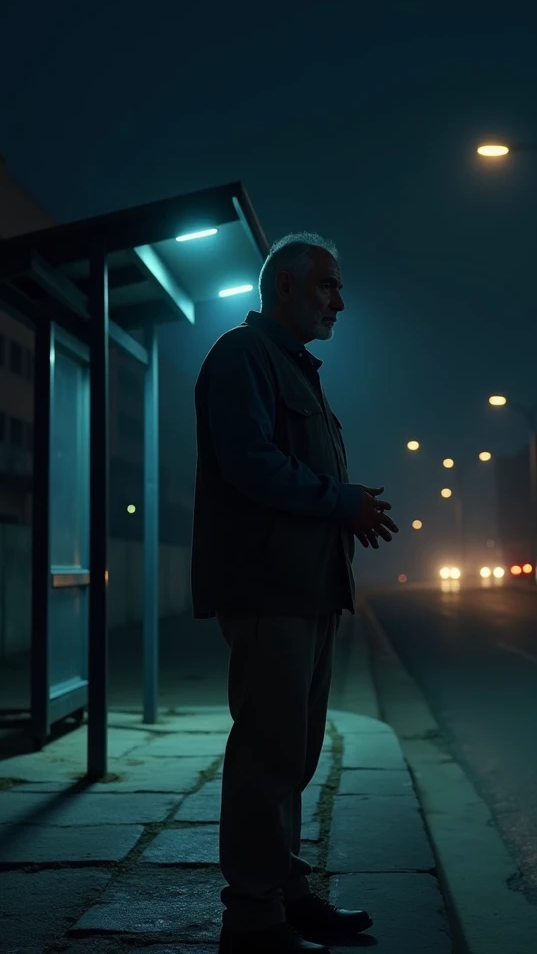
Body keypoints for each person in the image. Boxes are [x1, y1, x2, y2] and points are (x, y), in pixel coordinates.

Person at [191, 232, 399, 954]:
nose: (338, 301)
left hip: (305, 589)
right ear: (285, 286)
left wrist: (346, 514)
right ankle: (252, 918)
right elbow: (250, 463)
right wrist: (342, 502)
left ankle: (284, 890)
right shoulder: (242, 358)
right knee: (268, 753)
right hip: (268, 588)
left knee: (296, 752)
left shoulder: (289, 366)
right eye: (327, 287)